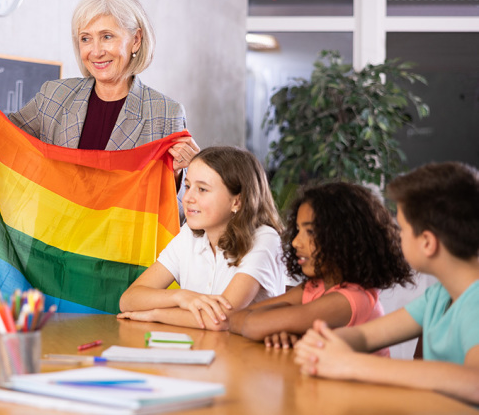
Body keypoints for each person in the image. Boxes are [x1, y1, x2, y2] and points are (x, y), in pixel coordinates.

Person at [0, 0, 199, 167]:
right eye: (86, 38)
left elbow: (177, 214)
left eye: (107, 36)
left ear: (136, 40)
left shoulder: (166, 114)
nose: (95, 51)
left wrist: (179, 173)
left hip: (122, 249)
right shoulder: (53, 96)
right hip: (53, 245)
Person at [294, 162, 479, 405]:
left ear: (427, 243)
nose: (397, 235)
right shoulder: (439, 296)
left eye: (402, 228)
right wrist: (324, 344)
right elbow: (365, 337)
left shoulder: (475, 302)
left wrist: (352, 364)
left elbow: (473, 382)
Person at [223, 182, 414, 351]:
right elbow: (236, 318)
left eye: (311, 231)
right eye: (298, 230)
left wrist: (278, 324)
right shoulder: (315, 287)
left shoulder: (350, 299)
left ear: (345, 238)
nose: (296, 242)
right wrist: (279, 326)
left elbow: (253, 326)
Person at [117, 146, 285, 327]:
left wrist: (155, 314)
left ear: (237, 201)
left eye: (202, 189)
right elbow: (128, 300)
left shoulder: (264, 239)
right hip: (198, 349)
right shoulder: (189, 236)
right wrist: (181, 297)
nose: (188, 197)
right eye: (188, 186)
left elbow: (221, 320)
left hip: (244, 354)